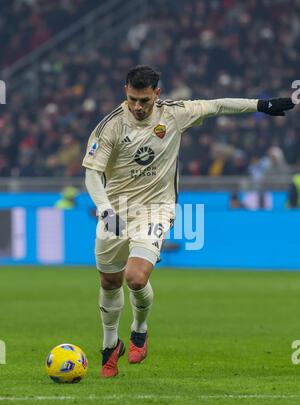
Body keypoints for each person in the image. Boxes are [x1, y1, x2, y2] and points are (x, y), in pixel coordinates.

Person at [82, 65, 295, 378]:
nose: (138, 107)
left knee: (136, 278)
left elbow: (217, 105)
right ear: (125, 92)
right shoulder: (111, 126)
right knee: (108, 282)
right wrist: (104, 209)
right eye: (132, 99)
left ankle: (139, 328)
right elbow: (91, 174)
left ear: (157, 93)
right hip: (115, 210)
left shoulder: (174, 115)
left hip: (156, 209)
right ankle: (111, 344)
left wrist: (261, 106)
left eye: (144, 100)